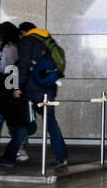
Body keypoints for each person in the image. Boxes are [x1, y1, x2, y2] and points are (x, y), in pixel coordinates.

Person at [13, 22, 69, 169]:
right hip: (48, 88)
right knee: (51, 123)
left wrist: (19, 86)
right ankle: (61, 157)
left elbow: (24, 65)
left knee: (22, 121)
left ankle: (11, 155)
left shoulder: (27, 40)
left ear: (24, 32)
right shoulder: (48, 39)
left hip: (32, 88)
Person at [0, 22, 29, 166]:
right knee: (17, 124)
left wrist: (11, 91)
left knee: (9, 123)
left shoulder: (9, 49)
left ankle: (12, 154)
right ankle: (12, 153)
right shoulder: (17, 46)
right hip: (14, 91)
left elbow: (7, 70)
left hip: (9, 92)